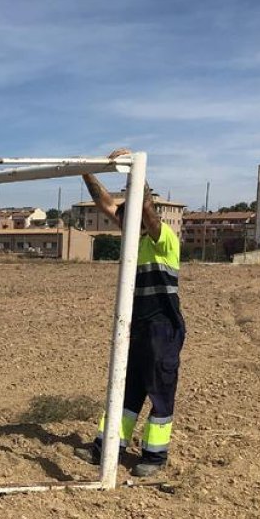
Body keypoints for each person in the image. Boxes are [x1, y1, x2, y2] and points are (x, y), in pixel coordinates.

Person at [74, 149, 186, 478]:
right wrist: (86, 171)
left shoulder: (162, 239)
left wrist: (132, 170)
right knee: (125, 389)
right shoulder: (131, 244)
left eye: (126, 216)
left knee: (159, 390)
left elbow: (148, 209)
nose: (117, 221)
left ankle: (155, 454)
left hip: (162, 328)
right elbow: (105, 203)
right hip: (136, 326)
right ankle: (109, 446)